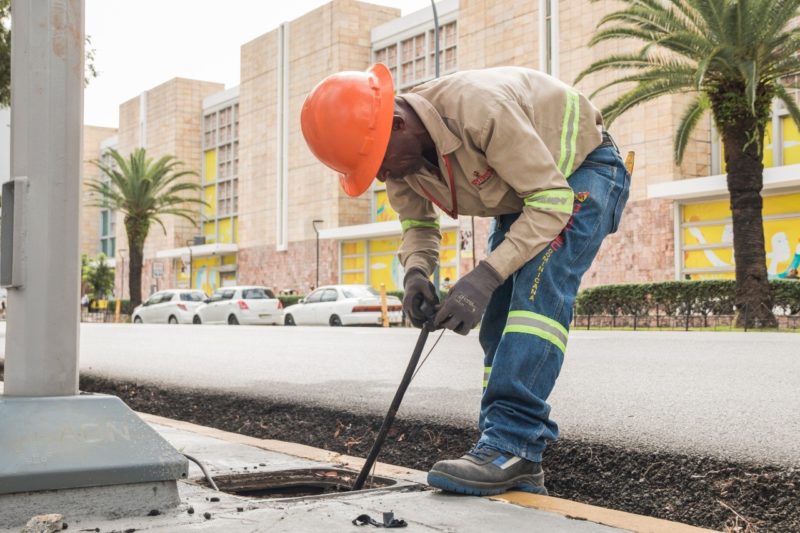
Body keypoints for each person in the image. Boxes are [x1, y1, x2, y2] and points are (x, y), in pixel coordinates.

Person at [301, 64, 630, 496]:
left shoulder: (480, 109)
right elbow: (418, 226)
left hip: (583, 170)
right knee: (496, 318)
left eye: (377, 163)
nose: (381, 177)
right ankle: (499, 444)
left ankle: (512, 444)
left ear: (397, 125)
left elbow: (551, 202)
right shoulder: (400, 161)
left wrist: (485, 275)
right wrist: (417, 273)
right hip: (527, 194)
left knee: (534, 298)